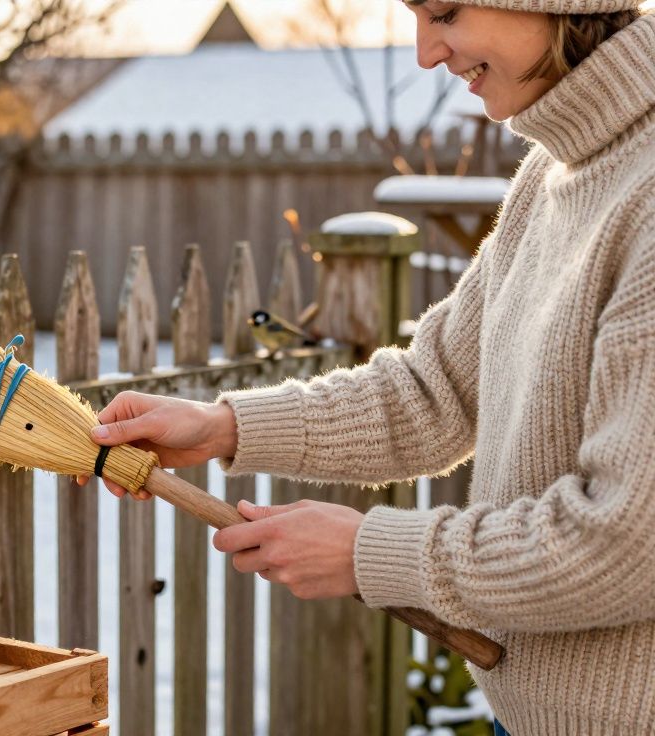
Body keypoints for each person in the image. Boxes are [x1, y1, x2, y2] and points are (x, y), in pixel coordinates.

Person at [88, 1, 655, 733]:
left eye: (444, 12)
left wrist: (371, 553)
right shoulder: (551, 172)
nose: (426, 53)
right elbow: (432, 392)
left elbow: (627, 542)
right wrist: (223, 426)